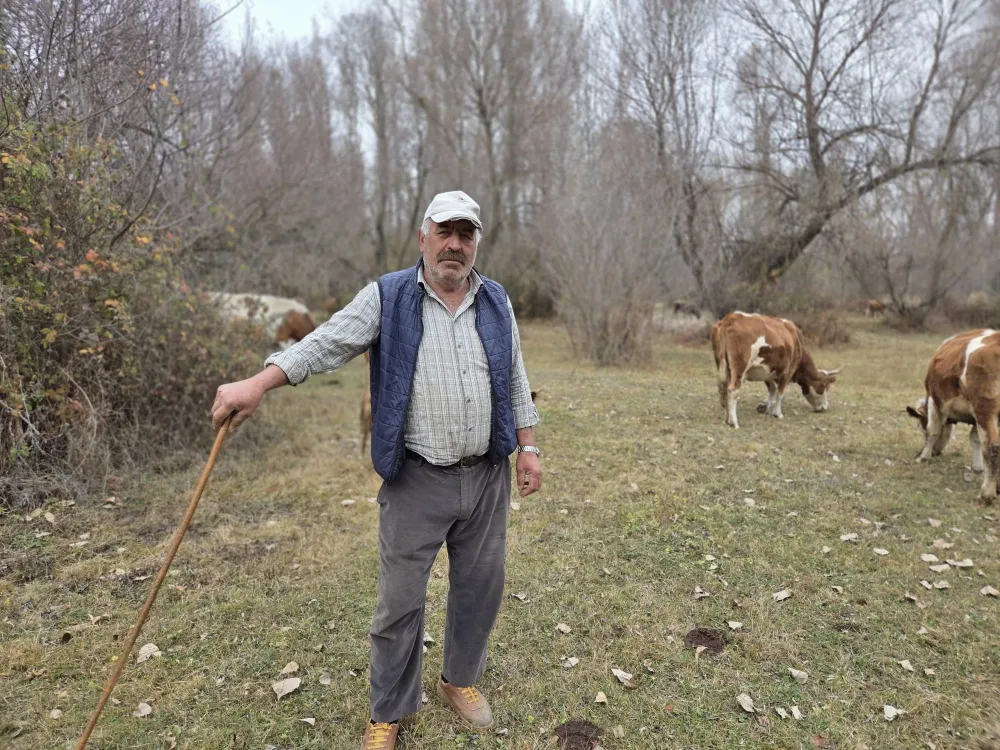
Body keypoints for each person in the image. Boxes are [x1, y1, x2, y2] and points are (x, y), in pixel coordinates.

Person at [211, 190, 542, 750]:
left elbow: (513, 377)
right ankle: (389, 710)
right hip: (416, 480)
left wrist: (528, 447)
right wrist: (259, 382)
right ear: (423, 236)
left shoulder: (496, 301)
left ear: (476, 242)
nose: (455, 245)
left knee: (479, 591)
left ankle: (458, 681)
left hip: (486, 477)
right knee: (399, 604)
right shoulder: (387, 297)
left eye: (466, 234)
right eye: (446, 232)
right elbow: (326, 344)